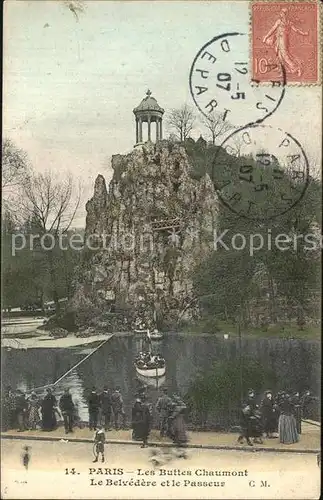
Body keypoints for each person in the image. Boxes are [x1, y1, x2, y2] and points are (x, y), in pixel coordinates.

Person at [262, 7, 309, 77]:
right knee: (279, 56)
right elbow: (273, 29)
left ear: (286, 14)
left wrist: (304, 33)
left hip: (284, 40)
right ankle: (282, 71)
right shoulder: (279, 21)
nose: (283, 14)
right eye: (283, 13)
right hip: (278, 40)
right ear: (281, 14)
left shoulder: (289, 22)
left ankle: (297, 68)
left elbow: (296, 30)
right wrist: (266, 36)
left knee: (285, 55)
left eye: (285, 13)